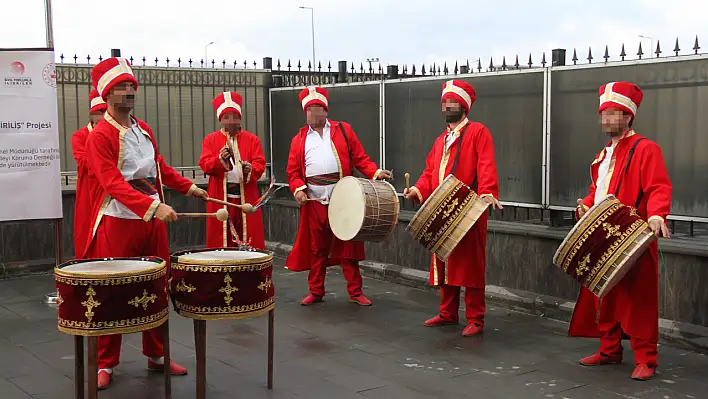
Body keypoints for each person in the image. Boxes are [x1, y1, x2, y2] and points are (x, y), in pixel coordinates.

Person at [83, 57, 209, 390]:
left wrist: (190, 188)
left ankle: (157, 355)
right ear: (108, 94)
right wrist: (153, 206)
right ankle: (106, 362)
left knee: (156, 285)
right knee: (115, 291)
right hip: (119, 221)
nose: (130, 92)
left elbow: (159, 168)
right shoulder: (101, 136)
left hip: (151, 219)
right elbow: (113, 183)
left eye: (132, 86)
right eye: (123, 87)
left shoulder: (143, 129)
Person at [570, 81, 672, 381]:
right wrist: (586, 204)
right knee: (603, 295)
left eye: (614, 113)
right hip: (603, 235)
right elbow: (598, 190)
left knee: (638, 298)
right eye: (604, 114)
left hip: (634, 236)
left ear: (628, 116)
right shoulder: (604, 154)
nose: (607, 120)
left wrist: (656, 215)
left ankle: (646, 359)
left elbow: (658, 186)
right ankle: (609, 349)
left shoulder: (646, 148)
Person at [403, 79, 501, 337]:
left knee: (470, 265)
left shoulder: (478, 132)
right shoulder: (440, 140)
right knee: (444, 261)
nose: (448, 105)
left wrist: (488, 192)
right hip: (442, 208)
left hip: (468, 208)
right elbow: (429, 172)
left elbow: (486, 164)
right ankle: (447, 313)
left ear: (464, 105)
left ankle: (476, 318)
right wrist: (417, 190)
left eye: (453, 101)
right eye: (445, 101)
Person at [285, 86, 391, 306]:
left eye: (316, 108)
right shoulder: (298, 139)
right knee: (317, 248)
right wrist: (298, 189)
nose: (312, 113)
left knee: (348, 246)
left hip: (343, 198)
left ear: (325, 110)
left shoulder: (344, 130)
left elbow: (360, 158)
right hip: (315, 201)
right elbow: (293, 172)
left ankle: (355, 292)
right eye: (308, 110)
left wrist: (375, 172)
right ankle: (316, 291)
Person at [198, 91, 266, 249]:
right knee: (222, 241)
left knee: (248, 238)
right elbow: (205, 164)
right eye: (226, 117)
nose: (231, 121)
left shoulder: (252, 139)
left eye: (234, 117)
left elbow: (260, 163)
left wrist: (251, 169)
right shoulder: (210, 140)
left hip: (246, 196)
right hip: (220, 198)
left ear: (240, 118)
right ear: (220, 120)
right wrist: (220, 160)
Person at [71, 89, 106, 258]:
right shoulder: (80, 136)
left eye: (106, 111)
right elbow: (84, 162)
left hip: (112, 191)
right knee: (87, 232)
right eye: (99, 112)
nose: (104, 116)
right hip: (89, 192)